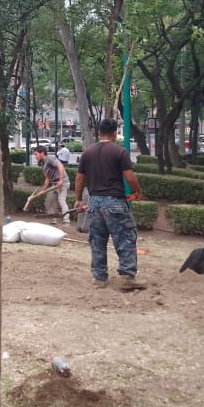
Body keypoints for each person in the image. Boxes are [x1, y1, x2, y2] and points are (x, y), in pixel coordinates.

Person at [74, 117, 145, 291]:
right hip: (115, 202)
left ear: (99, 132)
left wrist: (78, 199)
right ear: (115, 133)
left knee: (97, 240)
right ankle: (127, 278)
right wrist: (137, 191)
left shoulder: (87, 153)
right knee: (126, 238)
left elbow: (79, 178)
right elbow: (129, 177)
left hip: (94, 202)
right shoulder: (119, 152)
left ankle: (99, 278)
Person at [34, 146, 70, 226]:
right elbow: (47, 179)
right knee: (48, 202)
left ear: (42, 153)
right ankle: (53, 220)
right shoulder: (43, 165)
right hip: (54, 184)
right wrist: (43, 190)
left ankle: (66, 222)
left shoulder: (49, 158)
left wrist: (60, 180)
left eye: (36, 154)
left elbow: (60, 166)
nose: (35, 156)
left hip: (62, 182)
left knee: (61, 200)